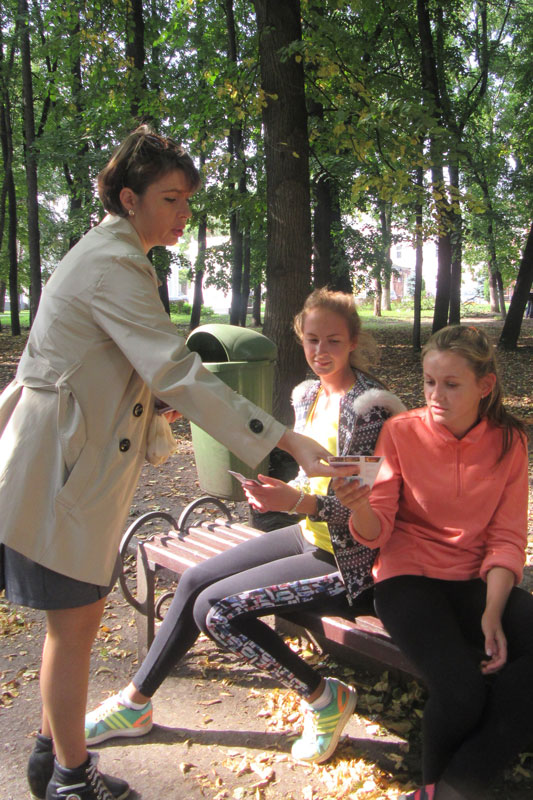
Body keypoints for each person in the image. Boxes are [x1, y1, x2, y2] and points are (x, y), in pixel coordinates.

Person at [0, 127, 350, 800]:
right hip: (57, 469)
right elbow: (173, 369)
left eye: (188, 199)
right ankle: (70, 779)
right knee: (73, 627)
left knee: (74, 622)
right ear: (129, 198)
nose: (184, 211)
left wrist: (151, 402)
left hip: (61, 458)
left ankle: (51, 757)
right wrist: (284, 438)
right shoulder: (114, 263)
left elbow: (128, 368)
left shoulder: (116, 253)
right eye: (170, 198)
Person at [84, 287, 405, 765]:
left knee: (216, 612)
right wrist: (281, 490)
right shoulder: (309, 394)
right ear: (300, 338)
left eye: (334, 341)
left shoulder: (370, 408)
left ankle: (324, 697)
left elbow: (366, 505)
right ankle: (135, 704)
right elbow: (314, 477)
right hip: (308, 535)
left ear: (353, 341)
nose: (321, 351)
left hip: (348, 559)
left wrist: (296, 501)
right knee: (195, 581)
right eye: (312, 340)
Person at [334, 325, 532, 800]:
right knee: (462, 689)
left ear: (484, 386)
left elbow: (507, 538)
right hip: (408, 578)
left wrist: (492, 612)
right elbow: (378, 529)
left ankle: (452, 787)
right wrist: (359, 506)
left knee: (512, 677)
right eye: (428, 382)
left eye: (451, 384)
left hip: (476, 580)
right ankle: (446, 788)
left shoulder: (509, 441)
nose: (435, 395)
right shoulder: (400, 432)